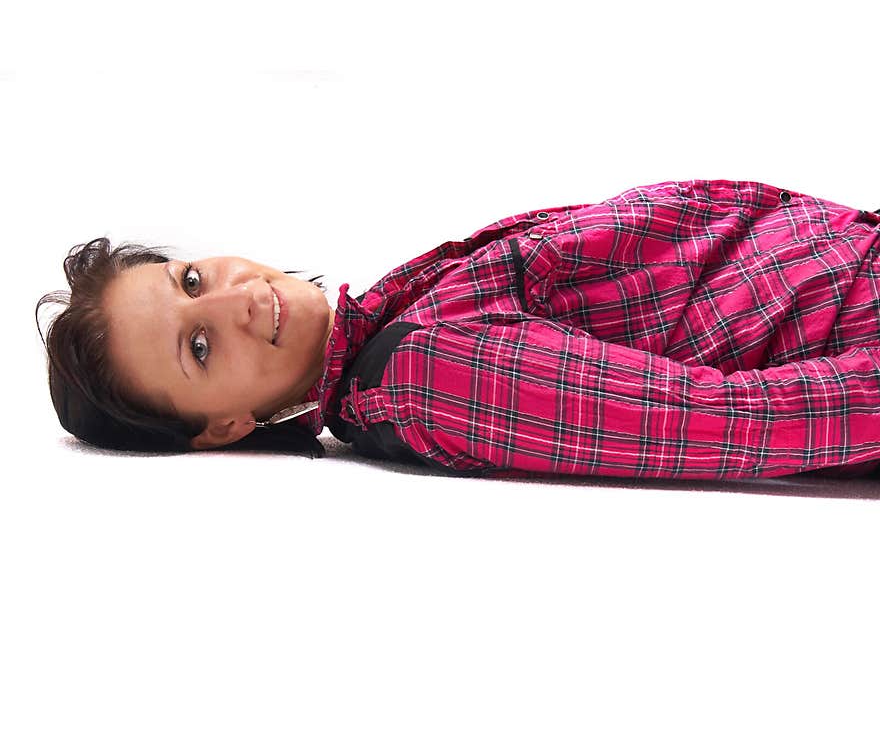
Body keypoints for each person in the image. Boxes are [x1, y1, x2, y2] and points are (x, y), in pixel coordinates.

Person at [35, 178, 880, 480]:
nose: (233, 300)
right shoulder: (428, 374)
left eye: (192, 281)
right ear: (223, 427)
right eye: (199, 346)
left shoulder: (397, 318)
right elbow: (718, 425)